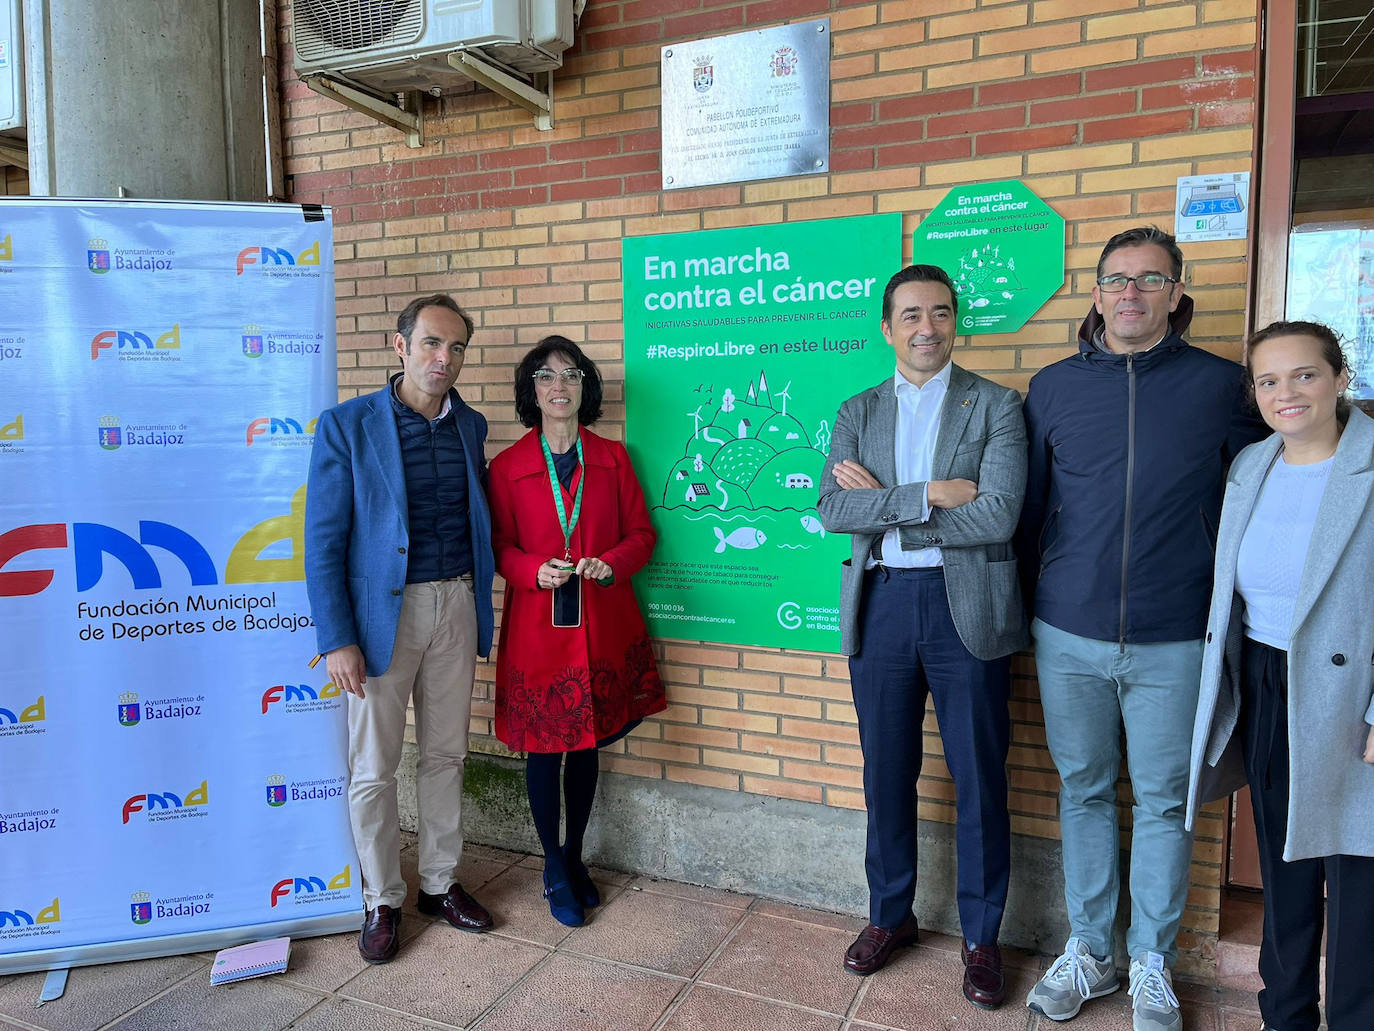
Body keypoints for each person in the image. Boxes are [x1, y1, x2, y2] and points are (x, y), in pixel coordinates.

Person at [1017, 226, 1266, 1031]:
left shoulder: (1222, 387)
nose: (1132, 292)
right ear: (1096, 293)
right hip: (1068, 632)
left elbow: (1258, 499)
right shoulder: (1052, 387)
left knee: (1164, 801)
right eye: (1118, 278)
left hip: (1177, 636)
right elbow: (1032, 509)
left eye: (1150, 278)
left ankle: (1151, 960)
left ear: (1176, 292)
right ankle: (1091, 951)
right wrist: (1030, 608)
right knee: (1084, 790)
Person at [817, 264, 1028, 1009]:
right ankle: (890, 916)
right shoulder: (857, 409)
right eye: (910, 315)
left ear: (954, 320)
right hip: (882, 604)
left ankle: (981, 935)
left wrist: (886, 506)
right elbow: (833, 511)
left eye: (939, 312)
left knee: (979, 776)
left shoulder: (997, 405)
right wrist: (931, 495)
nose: (926, 327)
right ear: (887, 328)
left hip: (964, 605)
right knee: (886, 773)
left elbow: (997, 515)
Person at [1185, 321, 1374, 1031]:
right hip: (1266, 680)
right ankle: (1284, 1013)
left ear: (1340, 378)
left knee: (1357, 871)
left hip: (1352, 693)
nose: (1286, 392)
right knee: (1285, 865)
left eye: (1304, 374)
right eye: (1268, 380)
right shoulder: (1252, 464)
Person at [305, 294, 496, 964]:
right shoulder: (347, 425)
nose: (445, 358)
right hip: (380, 618)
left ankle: (439, 884)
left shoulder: (470, 425)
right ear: (401, 346)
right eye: (432, 343)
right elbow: (323, 540)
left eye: (457, 347)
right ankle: (381, 898)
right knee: (373, 767)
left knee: (446, 755)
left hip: (456, 602)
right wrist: (337, 637)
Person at [488, 335, 666, 928]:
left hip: (601, 621)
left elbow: (642, 535)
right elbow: (497, 546)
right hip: (538, 627)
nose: (558, 386)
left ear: (585, 387)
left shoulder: (612, 458)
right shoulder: (507, 468)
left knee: (587, 743)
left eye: (570, 374)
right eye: (545, 376)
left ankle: (574, 853)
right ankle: (552, 864)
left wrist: (611, 563)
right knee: (545, 749)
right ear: (531, 390)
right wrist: (529, 569)